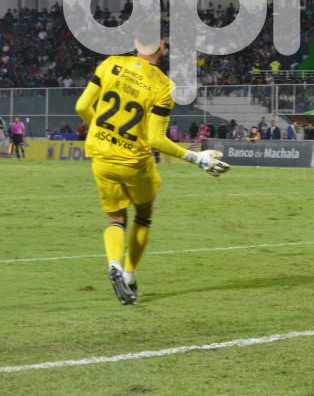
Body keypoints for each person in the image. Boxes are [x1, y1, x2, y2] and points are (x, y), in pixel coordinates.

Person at [75, 38, 231, 306]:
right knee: (143, 217)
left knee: (115, 218)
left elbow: (81, 107)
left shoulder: (110, 63)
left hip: (101, 156)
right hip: (134, 161)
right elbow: (156, 140)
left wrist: (100, 131)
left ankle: (113, 264)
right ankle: (130, 276)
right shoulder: (163, 86)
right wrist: (197, 158)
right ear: (162, 46)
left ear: (135, 42)